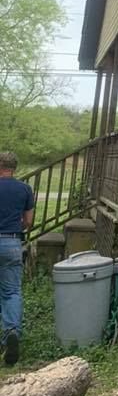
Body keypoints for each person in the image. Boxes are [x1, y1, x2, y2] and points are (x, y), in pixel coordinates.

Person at [0, 152, 33, 365]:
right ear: (14, 168)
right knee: (11, 291)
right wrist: (14, 230)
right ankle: (11, 332)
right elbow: (28, 221)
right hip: (11, 242)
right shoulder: (24, 189)